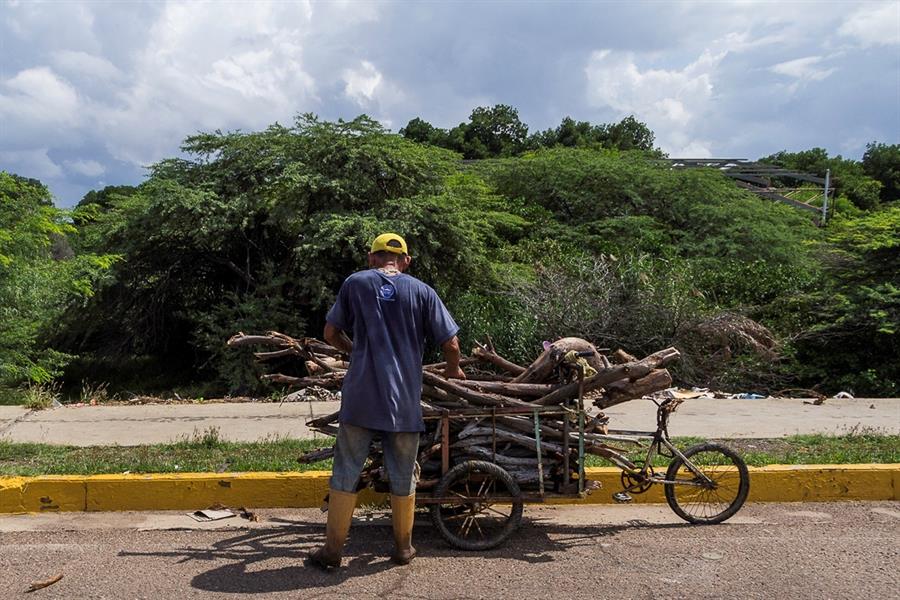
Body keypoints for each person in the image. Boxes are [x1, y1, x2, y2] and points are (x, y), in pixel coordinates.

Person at [309, 232, 465, 569]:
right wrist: (453, 372)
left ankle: (333, 551)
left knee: (345, 471)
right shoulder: (423, 292)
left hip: (361, 399)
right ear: (406, 261)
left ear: (371, 257)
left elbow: (330, 334)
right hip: (404, 403)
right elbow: (451, 344)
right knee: (403, 475)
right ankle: (403, 548)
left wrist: (354, 351)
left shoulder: (356, 283)